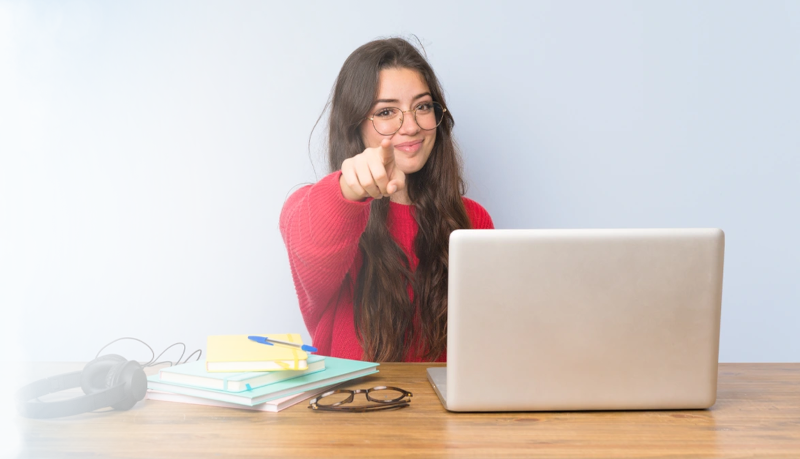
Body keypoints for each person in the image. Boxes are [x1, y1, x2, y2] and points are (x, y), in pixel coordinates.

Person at [279, 37, 494, 363]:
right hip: (350, 409)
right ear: (355, 127)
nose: (410, 126)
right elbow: (311, 246)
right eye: (386, 112)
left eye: (422, 106)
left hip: (444, 412)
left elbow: (488, 345)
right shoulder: (313, 206)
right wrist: (349, 191)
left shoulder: (473, 220)